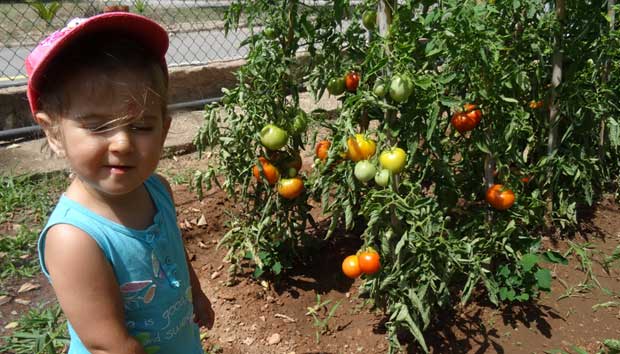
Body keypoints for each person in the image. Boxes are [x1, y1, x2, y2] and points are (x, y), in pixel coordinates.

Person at [26, 11, 215, 354]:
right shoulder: (74, 239)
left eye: (142, 127)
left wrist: (196, 293)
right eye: (98, 126)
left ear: (165, 131)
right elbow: (107, 345)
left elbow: (174, 254)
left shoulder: (158, 189)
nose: (123, 144)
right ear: (53, 132)